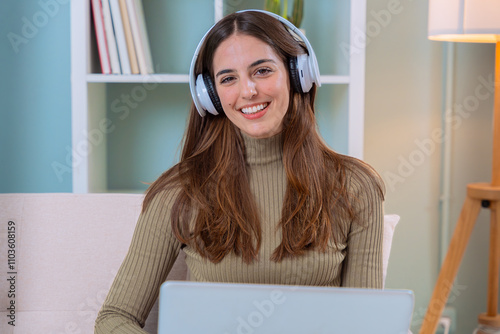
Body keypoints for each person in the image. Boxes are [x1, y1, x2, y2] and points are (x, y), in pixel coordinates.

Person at [95, 9, 385, 333]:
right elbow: (115, 318)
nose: (248, 91)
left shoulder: (355, 186)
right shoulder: (180, 191)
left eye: (262, 70)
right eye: (228, 78)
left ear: (297, 73)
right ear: (211, 96)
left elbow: (366, 323)